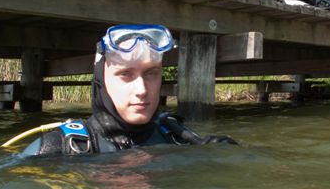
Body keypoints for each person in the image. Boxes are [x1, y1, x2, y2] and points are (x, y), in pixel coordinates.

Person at [21, 24, 237, 156]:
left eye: (151, 73)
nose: (142, 90)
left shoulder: (176, 135)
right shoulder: (55, 149)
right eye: (126, 74)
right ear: (101, 81)